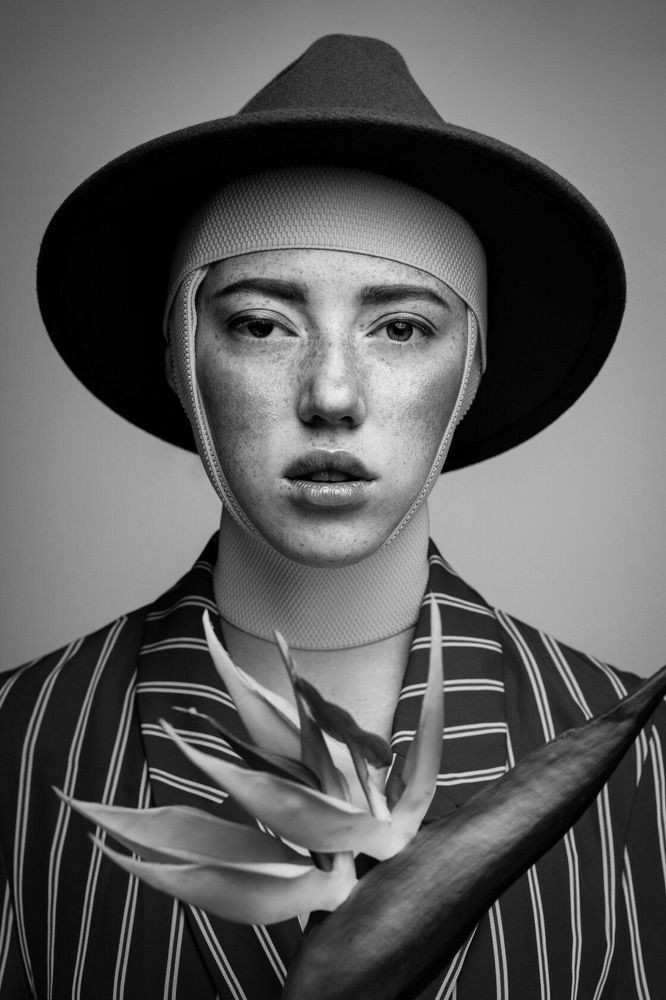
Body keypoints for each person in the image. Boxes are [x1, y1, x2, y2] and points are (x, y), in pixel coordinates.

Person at [1, 33, 664, 1000]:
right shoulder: (20, 743)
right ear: (184, 359)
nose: (332, 395)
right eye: (261, 324)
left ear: (471, 370)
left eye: (401, 327)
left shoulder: (647, 766)